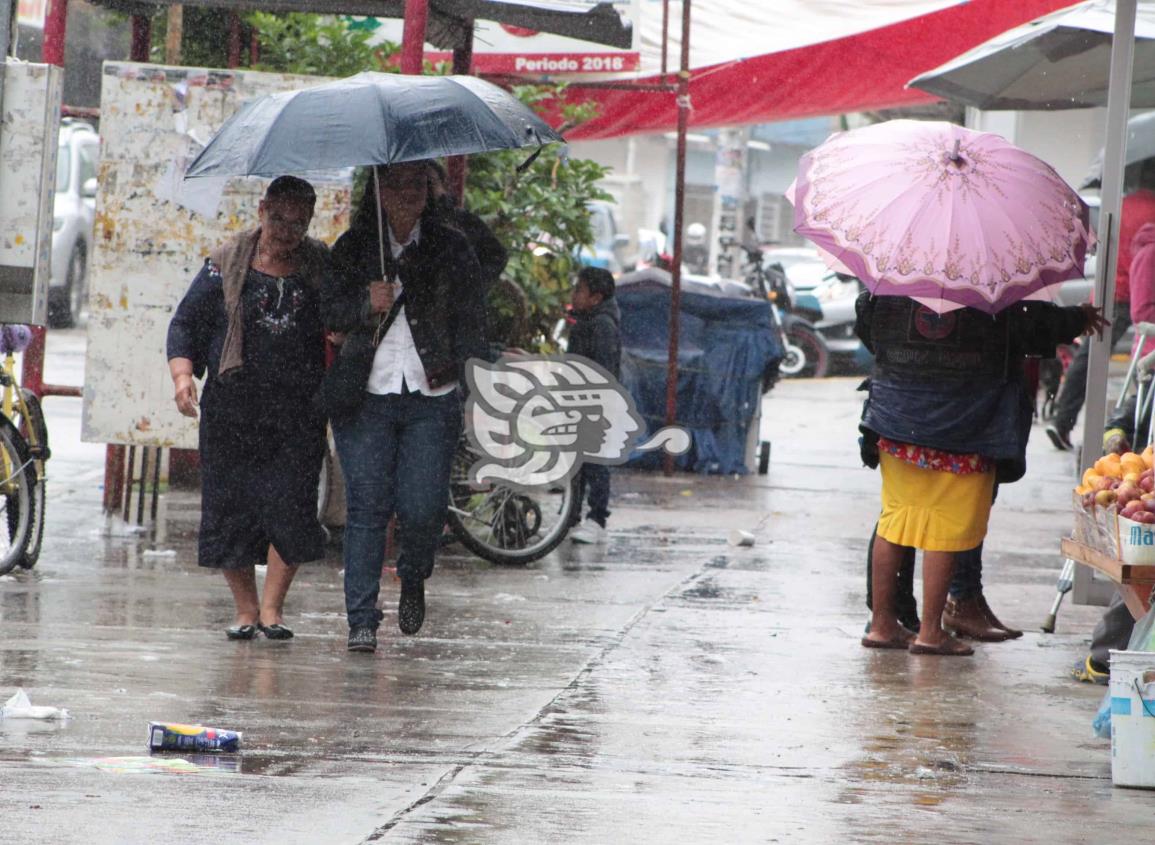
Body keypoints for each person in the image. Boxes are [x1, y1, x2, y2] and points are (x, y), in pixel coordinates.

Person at [857, 293, 1104, 656]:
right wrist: (1078, 318)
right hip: (965, 425)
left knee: (895, 520)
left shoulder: (894, 279)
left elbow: (870, 332)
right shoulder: (989, 283)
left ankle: (882, 625)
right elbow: (1030, 328)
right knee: (946, 527)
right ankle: (930, 633)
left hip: (896, 420)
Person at [323, 162, 488, 654]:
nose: (408, 193)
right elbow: (328, 312)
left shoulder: (450, 247)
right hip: (365, 396)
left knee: (422, 508)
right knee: (368, 507)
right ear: (376, 190)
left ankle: (413, 575)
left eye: (417, 183)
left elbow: (474, 319)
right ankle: (362, 619)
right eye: (396, 183)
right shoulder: (354, 248)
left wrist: (469, 378)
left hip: (430, 395)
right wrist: (363, 305)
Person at [166, 175, 330, 641]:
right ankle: (245, 609)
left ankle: (273, 609)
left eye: (298, 223)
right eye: (279, 218)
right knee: (229, 506)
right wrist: (182, 378)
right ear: (261, 210)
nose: (286, 230)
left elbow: (344, 314)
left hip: (298, 410)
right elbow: (185, 324)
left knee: (292, 504)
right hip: (232, 407)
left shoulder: (320, 265)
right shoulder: (226, 262)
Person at [1046, 182, 1155, 450]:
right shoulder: (1150, 210)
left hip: (1111, 288)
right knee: (1096, 360)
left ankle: (1063, 420)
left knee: (1089, 358)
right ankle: (1064, 420)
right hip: (1126, 290)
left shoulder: (1123, 204)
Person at [566, 266, 622, 545]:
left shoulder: (602, 327)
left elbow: (601, 371)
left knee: (595, 464)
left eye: (579, 290)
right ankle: (571, 517)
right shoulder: (587, 323)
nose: (574, 295)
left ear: (596, 298)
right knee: (577, 464)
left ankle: (596, 519)